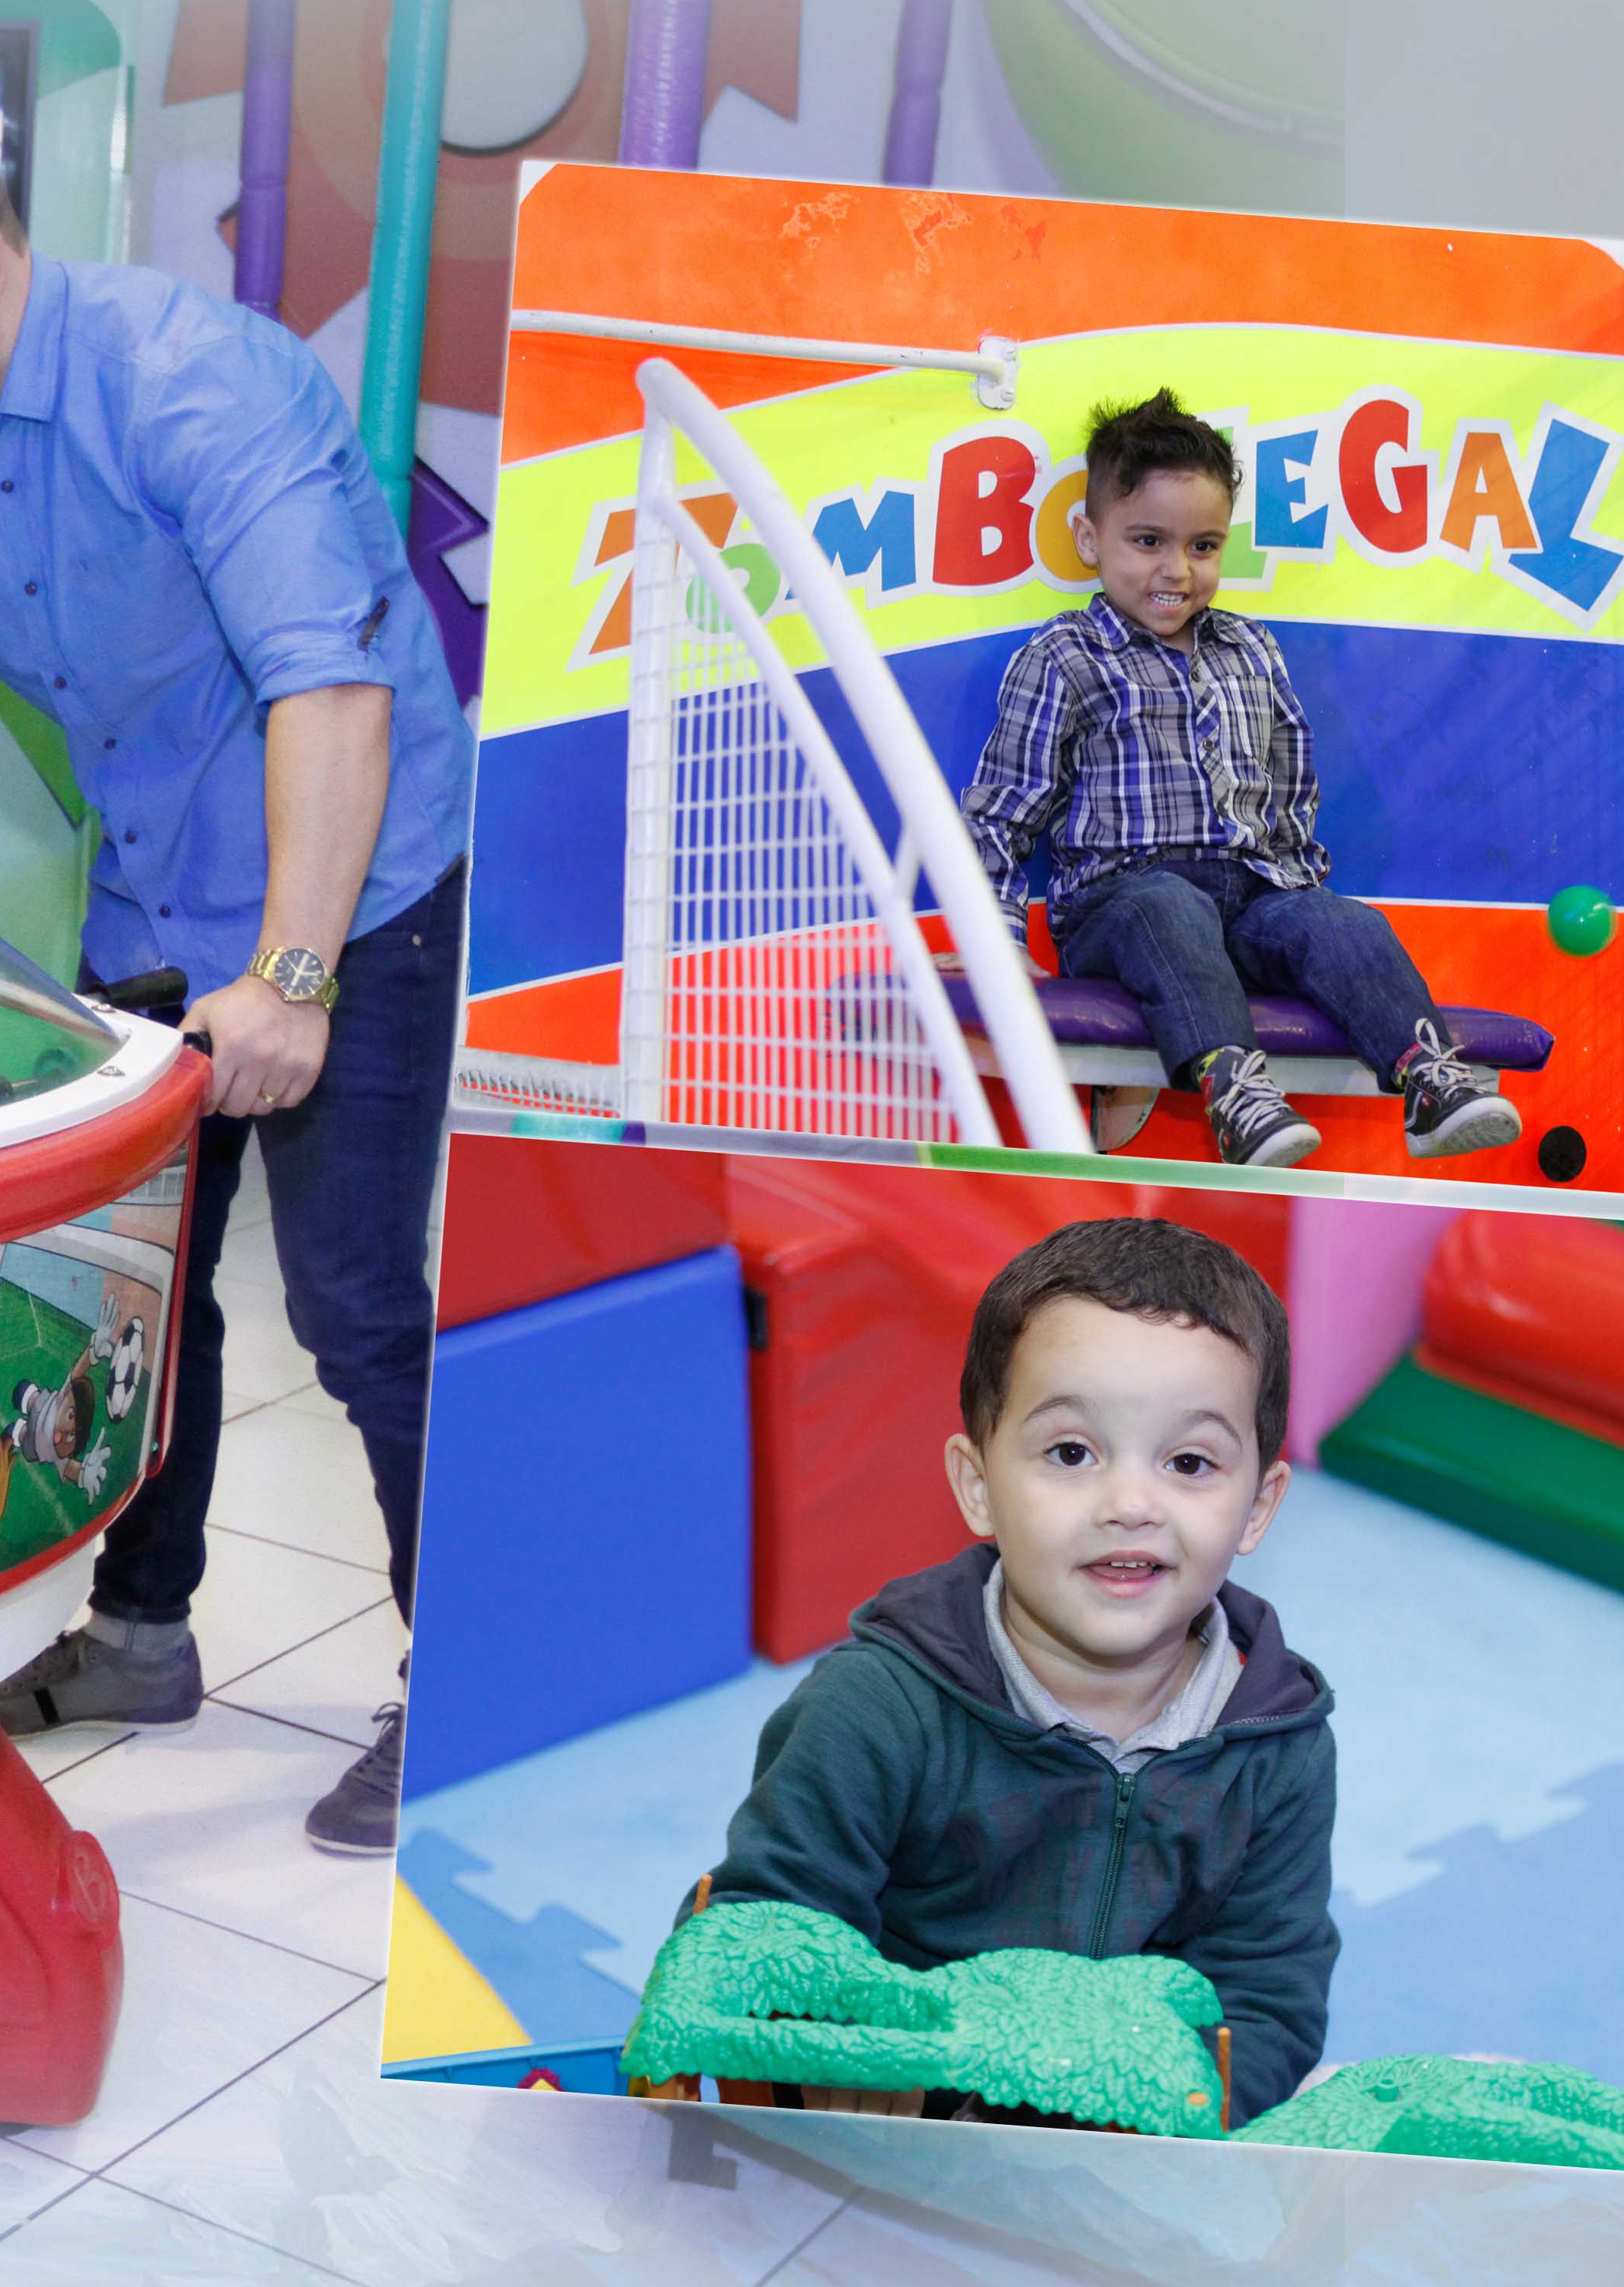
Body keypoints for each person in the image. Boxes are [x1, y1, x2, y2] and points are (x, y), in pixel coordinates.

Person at [0, 115, 470, 1851]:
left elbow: (329, 689)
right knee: (142, 1299)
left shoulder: (191, 386)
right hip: (153, 898)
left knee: (352, 1306)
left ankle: (470, 1689)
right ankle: (141, 1634)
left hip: (348, 893)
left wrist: (291, 979)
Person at [679, 1217, 1337, 2127]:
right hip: (891, 2122)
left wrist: (1169, 2111)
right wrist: (846, 2061)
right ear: (978, 1483)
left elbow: (1266, 1998)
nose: (1130, 1504)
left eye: (1188, 1462)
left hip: (1127, 2130)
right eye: (1070, 1453)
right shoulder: (875, 1706)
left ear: (1257, 1506)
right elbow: (766, 1926)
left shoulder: (1275, 1744)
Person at [960, 390, 1526, 1170]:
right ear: (1089, 539)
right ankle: (1237, 1094)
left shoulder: (1250, 649)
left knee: (1341, 923)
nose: (1176, 569)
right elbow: (999, 812)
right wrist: (996, 941)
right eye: (1148, 541)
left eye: (1203, 546)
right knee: (1167, 908)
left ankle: (1426, 1077)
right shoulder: (1063, 657)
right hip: (1122, 904)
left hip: (1251, 897)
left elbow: (1289, 781)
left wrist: (1299, 897)